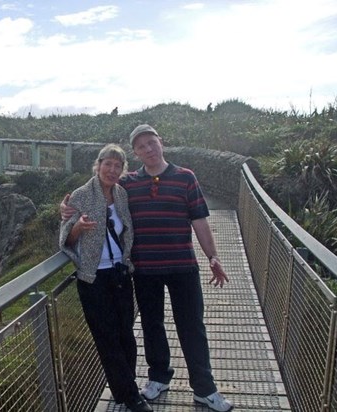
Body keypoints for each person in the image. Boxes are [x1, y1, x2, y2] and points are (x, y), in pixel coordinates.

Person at [61, 125, 233, 412]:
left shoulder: (185, 178)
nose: (148, 149)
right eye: (141, 147)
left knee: (192, 327)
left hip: (183, 266)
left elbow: (200, 220)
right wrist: (66, 208)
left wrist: (213, 257)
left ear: (161, 143)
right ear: (136, 152)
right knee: (152, 326)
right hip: (144, 269)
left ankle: (205, 388)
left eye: (151, 143)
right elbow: (96, 191)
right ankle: (158, 378)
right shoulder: (127, 183)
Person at [59, 144, 152, 412]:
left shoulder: (122, 194)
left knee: (126, 334)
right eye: (107, 164)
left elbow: (126, 231)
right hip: (93, 277)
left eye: (117, 165)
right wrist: (77, 226)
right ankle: (131, 396)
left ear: (123, 170)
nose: (112, 170)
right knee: (107, 336)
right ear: (98, 165)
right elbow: (65, 238)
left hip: (120, 272)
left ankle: (125, 387)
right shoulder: (81, 195)